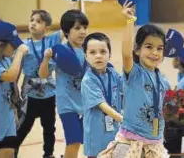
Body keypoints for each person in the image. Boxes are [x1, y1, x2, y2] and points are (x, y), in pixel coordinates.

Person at [99, 1, 170, 157]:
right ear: (137, 49)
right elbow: (125, 54)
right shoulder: (135, 73)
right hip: (129, 143)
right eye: (149, 47)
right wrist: (129, 22)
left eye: (159, 48)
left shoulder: (163, 80)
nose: (155, 53)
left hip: (154, 143)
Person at [14, 9, 64, 158]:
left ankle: (48, 154)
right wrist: (14, 92)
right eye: (32, 20)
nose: (33, 23)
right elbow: (17, 70)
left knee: (49, 128)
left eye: (39, 21)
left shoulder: (52, 40)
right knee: (23, 127)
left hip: (49, 94)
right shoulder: (23, 45)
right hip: (30, 95)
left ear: (47, 27)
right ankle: (11, 151)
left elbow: (67, 27)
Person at [39, 10, 88, 158]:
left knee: (84, 142)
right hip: (67, 106)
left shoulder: (90, 50)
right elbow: (43, 74)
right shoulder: (61, 52)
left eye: (85, 28)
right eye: (77, 28)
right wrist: (46, 59)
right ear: (66, 31)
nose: (83, 32)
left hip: (86, 104)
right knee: (73, 142)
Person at [0, 20, 29, 158]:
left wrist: (15, 108)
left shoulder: (4, 58)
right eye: (13, 45)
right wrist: (19, 53)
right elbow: (10, 76)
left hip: (5, 117)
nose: (15, 48)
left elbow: (13, 84)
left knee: (8, 153)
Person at [81, 33, 123, 158]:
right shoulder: (88, 80)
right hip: (96, 138)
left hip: (114, 134)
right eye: (92, 52)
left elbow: (128, 90)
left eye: (103, 51)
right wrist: (124, 120)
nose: (98, 56)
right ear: (86, 56)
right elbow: (103, 106)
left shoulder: (113, 74)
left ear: (110, 54)